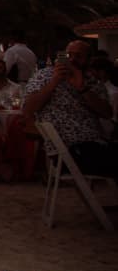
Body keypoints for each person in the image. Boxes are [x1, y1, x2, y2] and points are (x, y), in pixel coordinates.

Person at [23, 39, 118, 177]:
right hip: (67, 150)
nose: (72, 59)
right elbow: (28, 109)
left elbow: (107, 113)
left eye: (78, 56)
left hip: (95, 143)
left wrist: (82, 89)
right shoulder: (44, 76)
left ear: (88, 60)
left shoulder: (92, 81)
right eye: (69, 55)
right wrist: (54, 81)